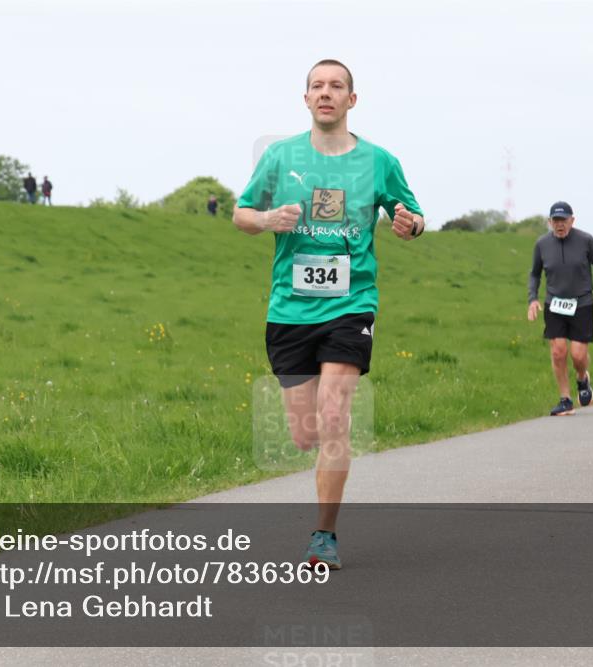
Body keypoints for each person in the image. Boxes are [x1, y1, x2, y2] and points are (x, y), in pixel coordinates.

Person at [233, 59, 425, 570]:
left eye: (336, 86)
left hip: (351, 305)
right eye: (317, 86)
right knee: (306, 432)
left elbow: (412, 214)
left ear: (351, 100)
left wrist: (411, 224)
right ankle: (319, 472)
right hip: (290, 310)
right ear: (306, 99)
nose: (326, 93)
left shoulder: (379, 161)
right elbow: (242, 213)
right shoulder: (280, 157)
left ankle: (324, 536)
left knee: (335, 415)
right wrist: (268, 218)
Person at [527, 201, 593, 416]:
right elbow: (534, 273)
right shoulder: (542, 244)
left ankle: (582, 379)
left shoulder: (585, 240)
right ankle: (565, 399)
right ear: (549, 222)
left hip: (582, 303)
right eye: (556, 221)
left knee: (578, 355)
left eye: (563, 220)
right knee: (558, 351)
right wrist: (533, 299)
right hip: (554, 304)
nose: (560, 225)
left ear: (572, 220)